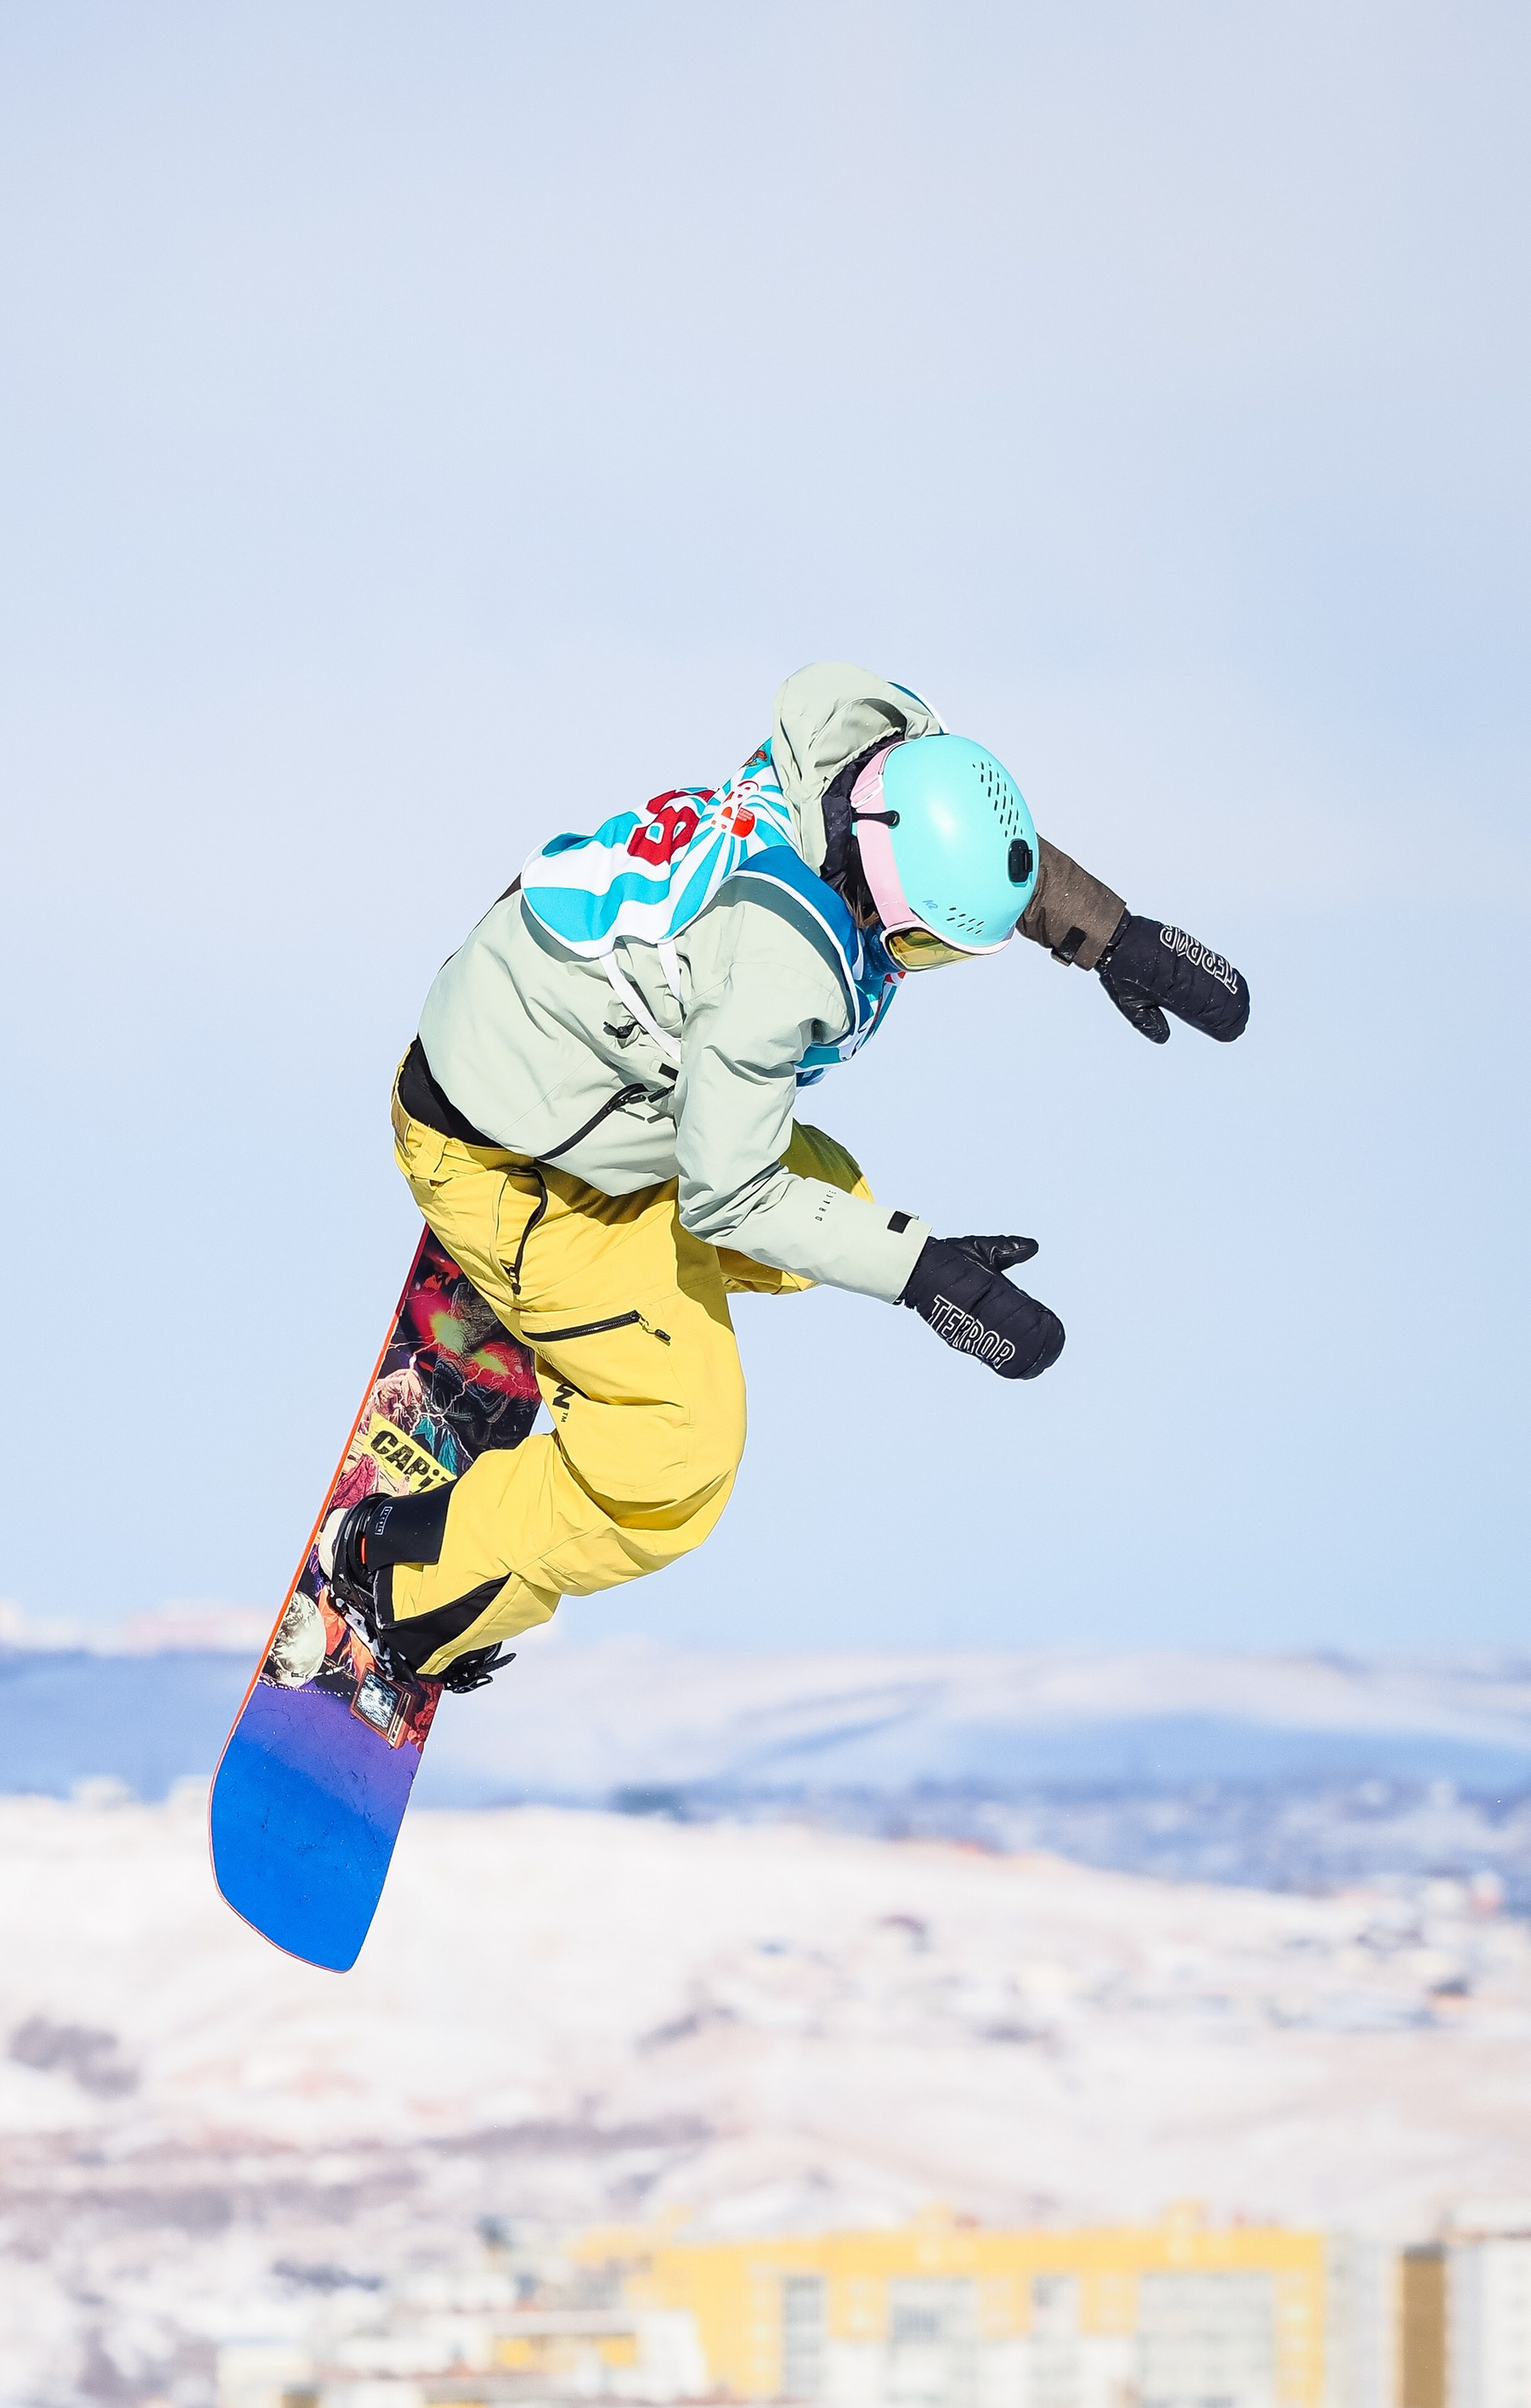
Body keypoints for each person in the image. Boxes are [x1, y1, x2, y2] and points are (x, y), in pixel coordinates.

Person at [322, 661, 1247, 1689]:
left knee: (837, 1199)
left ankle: (588, 1317)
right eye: (933, 947)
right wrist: (921, 1274)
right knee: (678, 1459)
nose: (923, 963)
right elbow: (732, 1190)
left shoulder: (851, 757)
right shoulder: (782, 959)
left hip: (543, 1057)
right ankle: (399, 1579)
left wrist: (1106, 935)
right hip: (519, 1168)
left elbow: (959, 837)